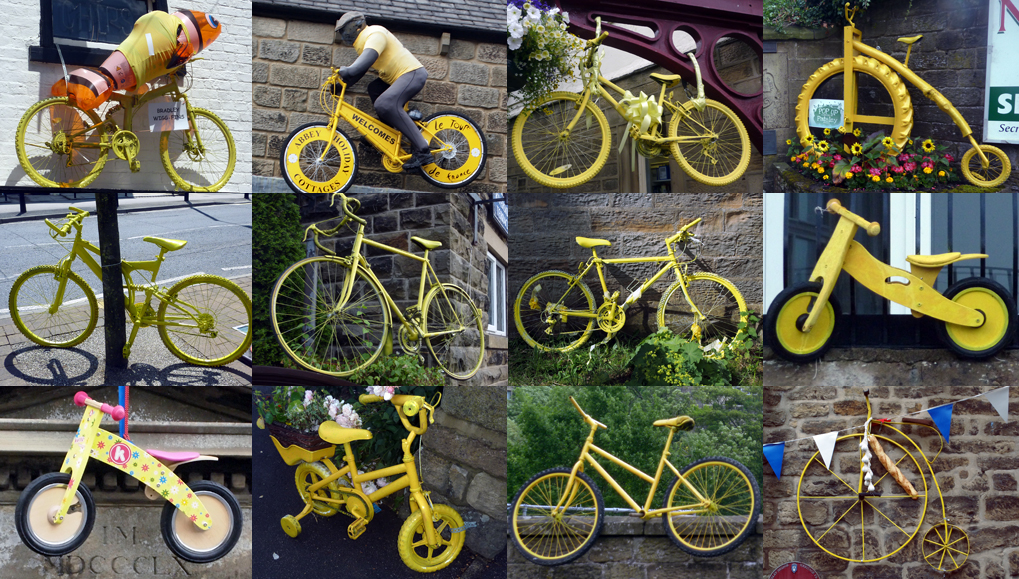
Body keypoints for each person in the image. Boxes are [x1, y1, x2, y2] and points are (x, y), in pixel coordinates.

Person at [335, 12, 433, 171]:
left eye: (346, 29)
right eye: (342, 31)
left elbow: (365, 61)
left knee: (384, 103)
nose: (345, 34)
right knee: (374, 88)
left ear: (358, 25)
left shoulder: (374, 33)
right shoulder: (363, 42)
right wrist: (339, 85)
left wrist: (348, 70)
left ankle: (423, 151)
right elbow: (360, 70)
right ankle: (384, 132)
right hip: (395, 79)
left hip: (412, 74)